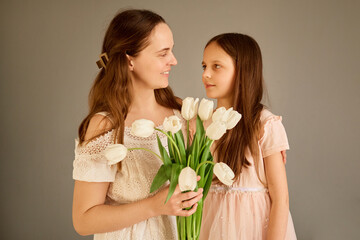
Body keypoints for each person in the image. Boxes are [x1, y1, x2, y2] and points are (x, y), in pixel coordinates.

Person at [72, 9, 203, 240]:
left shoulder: (183, 113)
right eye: (163, 53)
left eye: (171, 51)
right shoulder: (104, 125)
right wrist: (154, 206)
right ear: (129, 60)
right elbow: (83, 221)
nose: (174, 60)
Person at [199, 33, 297, 240]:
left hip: (252, 230)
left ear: (242, 71)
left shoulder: (264, 125)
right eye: (204, 66)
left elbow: (281, 199)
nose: (206, 74)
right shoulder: (202, 123)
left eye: (216, 66)